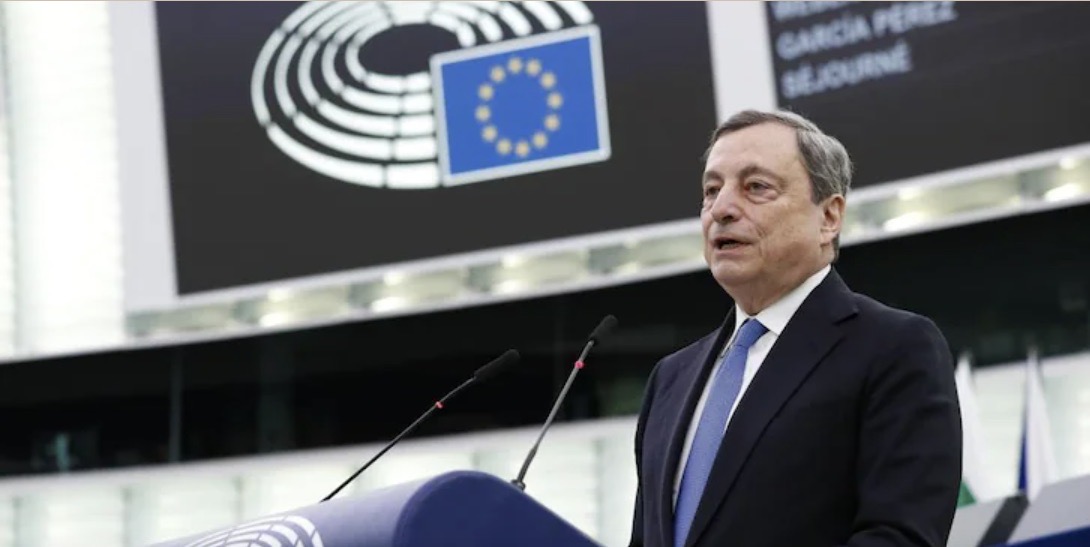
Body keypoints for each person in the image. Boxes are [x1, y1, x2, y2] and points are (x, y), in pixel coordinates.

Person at [629, 109, 962, 547]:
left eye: (756, 187)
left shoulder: (894, 348)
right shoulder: (670, 379)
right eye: (711, 190)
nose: (721, 209)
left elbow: (900, 536)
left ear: (829, 217)